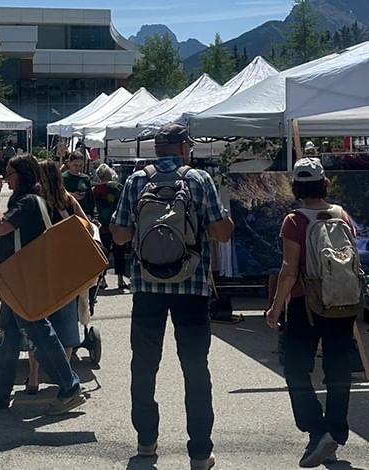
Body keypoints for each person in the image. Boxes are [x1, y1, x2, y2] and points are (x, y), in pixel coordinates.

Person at [110, 123, 234, 470]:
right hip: (191, 287)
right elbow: (221, 233)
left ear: (156, 148)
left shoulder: (137, 181)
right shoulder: (198, 180)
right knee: (196, 369)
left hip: (147, 287)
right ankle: (199, 453)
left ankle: (147, 442)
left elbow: (119, 236)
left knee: (144, 367)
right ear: (183, 148)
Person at [0, 155, 88, 415]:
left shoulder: (28, 201)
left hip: (23, 281)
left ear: (22, 174)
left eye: (10, 173)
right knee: (7, 334)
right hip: (19, 279)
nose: (6, 178)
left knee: (39, 332)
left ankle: (69, 386)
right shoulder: (33, 199)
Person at [264, 157, 358, 467]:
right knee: (338, 367)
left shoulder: (294, 221)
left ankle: (316, 429)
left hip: (306, 302)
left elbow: (289, 270)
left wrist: (275, 308)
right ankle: (335, 430)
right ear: (323, 184)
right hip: (342, 302)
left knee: (296, 367)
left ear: (296, 187)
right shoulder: (342, 215)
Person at [19, 160, 91, 394]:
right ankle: (65, 375)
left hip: (39, 269)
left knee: (38, 321)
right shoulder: (67, 200)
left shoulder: (32, 200)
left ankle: (33, 377)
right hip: (67, 269)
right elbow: (88, 227)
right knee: (67, 322)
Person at [94, 163, 128, 290]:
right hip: (117, 223)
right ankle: (120, 279)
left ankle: (102, 279)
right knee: (119, 251)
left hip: (102, 224)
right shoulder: (118, 188)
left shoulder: (95, 190)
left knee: (103, 252)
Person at [62, 151, 95, 219]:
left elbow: (90, 199)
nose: (77, 168)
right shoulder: (63, 178)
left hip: (84, 213)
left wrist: (91, 215)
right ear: (69, 163)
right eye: (75, 165)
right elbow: (59, 196)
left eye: (80, 165)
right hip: (68, 214)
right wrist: (71, 195)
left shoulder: (86, 178)